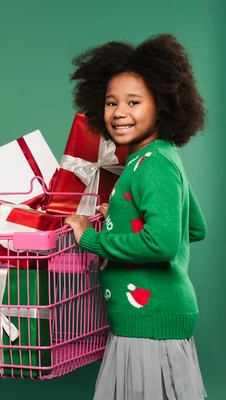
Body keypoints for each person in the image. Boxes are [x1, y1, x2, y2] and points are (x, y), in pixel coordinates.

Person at [64, 33, 208, 400]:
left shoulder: (152, 165)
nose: (119, 112)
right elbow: (194, 226)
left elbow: (161, 242)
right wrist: (124, 214)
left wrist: (90, 238)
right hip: (150, 320)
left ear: (162, 105)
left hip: (149, 325)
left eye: (133, 102)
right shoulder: (157, 157)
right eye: (111, 102)